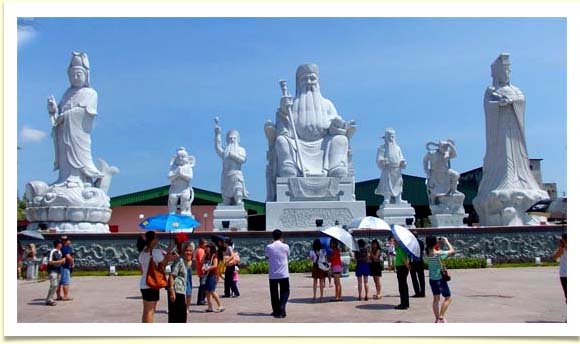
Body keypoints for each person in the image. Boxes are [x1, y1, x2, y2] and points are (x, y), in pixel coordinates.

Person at [264, 63, 356, 201]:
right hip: (298, 145)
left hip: (323, 146)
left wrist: (338, 125)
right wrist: (283, 111)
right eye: (304, 79)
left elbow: (336, 127)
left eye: (312, 78)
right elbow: (283, 130)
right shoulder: (291, 105)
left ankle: (336, 167)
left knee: (340, 140)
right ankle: (289, 168)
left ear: (317, 81)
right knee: (281, 141)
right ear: (298, 83)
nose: (308, 82)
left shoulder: (327, 104)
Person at [137, 231, 176, 323]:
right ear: (152, 240)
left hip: (143, 284)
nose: (157, 239)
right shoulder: (156, 252)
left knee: (146, 311)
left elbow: (142, 270)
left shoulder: (142, 253)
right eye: (156, 238)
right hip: (152, 284)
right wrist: (169, 253)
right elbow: (165, 263)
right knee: (151, 311)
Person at [214, 121, 249, 206]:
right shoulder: (225, 151)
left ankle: (238, 200)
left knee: (238, 192)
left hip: (236, 173)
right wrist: (217, 134)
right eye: (230, 138)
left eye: (234, 138)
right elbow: (218, 148)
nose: (232, 140)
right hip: (226, 175)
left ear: (238, 139)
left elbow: (243, 160)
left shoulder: (241, 149)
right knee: (226, 198)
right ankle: (227, 201)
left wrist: (234, 155)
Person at [425, 236, 455, 322]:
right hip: (440, 278)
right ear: (434, 243)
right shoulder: (438, 253)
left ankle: (436, 318)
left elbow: (431, 245)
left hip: (432, 279)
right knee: (448, 298)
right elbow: (452, 251)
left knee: (436, 299)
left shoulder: (427, 252)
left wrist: (436, 241)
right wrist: (446, 242)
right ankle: (441, 316)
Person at [375, 128, 407, 205]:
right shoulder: (382, 148)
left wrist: (403, 162)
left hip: (397, 170)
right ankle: (387, 199)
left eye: (392, 136)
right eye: (389, 137)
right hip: (388, 169)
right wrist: (382, 161)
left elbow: (401, 157)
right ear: (385, 137)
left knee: (398, 184)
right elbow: (379, 158)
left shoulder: (398, 148)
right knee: (387, 185)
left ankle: (398, 199)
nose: (391, 138)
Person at [265, 229, 290, 318]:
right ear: (281, 236)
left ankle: (276, 311)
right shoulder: (285, 246)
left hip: (273, 274)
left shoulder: (269, 247)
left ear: (273, 237)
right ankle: (282, 305)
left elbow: (267, 256)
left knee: (274, 293)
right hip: (283, 273)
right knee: (285, 291)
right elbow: (288, 255)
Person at [167, 240, 191, 322]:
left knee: (181, 316)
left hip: (181, 291)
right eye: (187, 250)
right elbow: (171, 275)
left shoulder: (184, 261)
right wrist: (172, 291)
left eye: (190, 251)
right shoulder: (180, 261)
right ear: (183, 251)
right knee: (177, 317)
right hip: (176, 291)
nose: (189, 252)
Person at [202, 243, 224, 313]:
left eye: (207, 248)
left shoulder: (214, 255)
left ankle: (220, 305)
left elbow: (215, 265)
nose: (206, 249)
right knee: (207, 291)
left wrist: (207, 269)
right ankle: (209, 307)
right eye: (205, 248)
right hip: (207, 275)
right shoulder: (207, 255)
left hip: (213, 275)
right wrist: (203, 267)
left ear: (211, 248)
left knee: (212, 291)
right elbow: (203, 263)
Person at [45, 240, 66, 306]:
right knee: (53, 285)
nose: (62, 245)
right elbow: (50, 262)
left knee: (56, 286)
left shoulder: (60, 252)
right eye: (61, 243)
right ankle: (49, 300)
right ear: (58, 244)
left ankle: (51, 299)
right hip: (53, 270)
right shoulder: (53, 251)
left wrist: (63, 262)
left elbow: (60, 261)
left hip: (58, 270)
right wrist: (60, 261)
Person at [394, 239, 411, 310]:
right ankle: (404, 303)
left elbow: (404, 260)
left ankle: (404, 304)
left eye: (395, 241)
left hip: (402, 268)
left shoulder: (400, 249)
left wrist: (408, 266)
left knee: (402, 286)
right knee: (403, 286)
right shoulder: (398, 249)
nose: (394, 242)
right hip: (401, 268)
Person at [57, 236, 74, 301]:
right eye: (68, 240)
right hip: (65, 266)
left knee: (59, 282)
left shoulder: (59, 248)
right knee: (65, 282)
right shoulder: (66, 247)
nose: (69, 241)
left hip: (59, 266)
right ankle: (65, 296)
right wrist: (72, 262)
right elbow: (68, 256)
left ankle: (58, 296)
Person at [410, 231, 426, 298]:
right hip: (420, 261)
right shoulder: (421, 242)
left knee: (414, 278)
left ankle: (417, 292)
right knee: (421, 277)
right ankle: (423, 292)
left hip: (413, 261)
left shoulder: (410, 243)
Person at [553, 233, 567, 303]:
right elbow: (555, 257)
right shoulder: (562, 249)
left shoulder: (562, 249)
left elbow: (554, 257)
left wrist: (560, 247)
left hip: (564, 275)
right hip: (564, 275)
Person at [195, 239, 207, 305]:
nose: (206, 245)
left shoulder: (201, 250)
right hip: (202, 271)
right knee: (202, 286)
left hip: (201, 270)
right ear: (201, 244)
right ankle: (200, 300)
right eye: (205, 243)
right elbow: (201, 261)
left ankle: (202, 299)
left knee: (203, 285)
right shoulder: (200, 251)